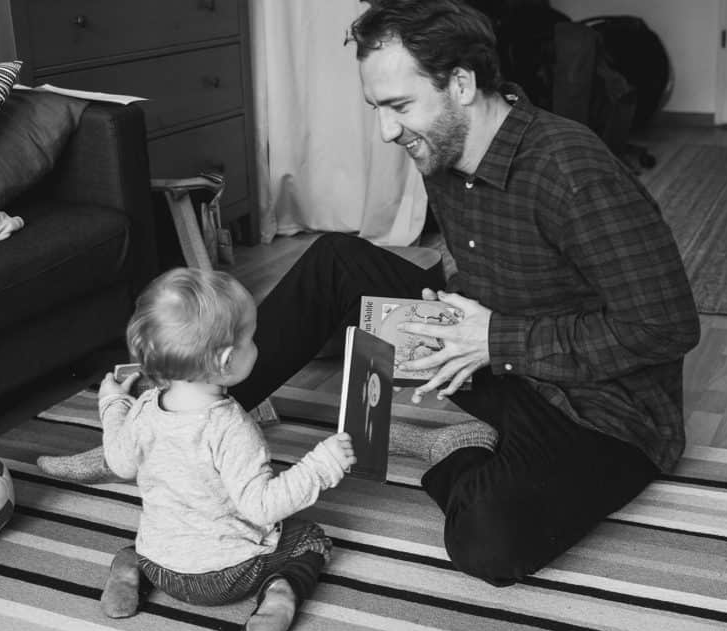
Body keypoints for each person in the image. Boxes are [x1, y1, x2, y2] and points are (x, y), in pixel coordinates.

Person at [228, 0, 700, 587]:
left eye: (400, 107)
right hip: (497, 359)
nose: (387, 131)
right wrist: (443, 319)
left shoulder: (573, 173)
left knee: (488, 542)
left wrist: (495, 339)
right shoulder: (442, 150)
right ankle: (201, 416)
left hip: (603, 412)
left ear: (461, 84)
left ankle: (458, 451)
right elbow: (485, 266)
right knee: (337, 262)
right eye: (377, 109)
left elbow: (666, 328)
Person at [41, 267, 355, 631]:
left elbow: (119, 463)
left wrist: (112, 403)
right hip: (228, 577)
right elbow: (262, 506)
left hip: (160, 565)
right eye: (251, 339)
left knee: (152, 537)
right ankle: (280, 592)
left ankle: (130, 568)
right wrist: (322, 465)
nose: (257, 345)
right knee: (310, 539)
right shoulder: (232, 427)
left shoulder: (144, 407)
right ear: (225, 360)